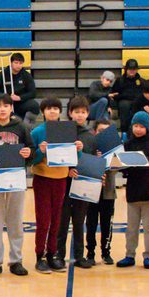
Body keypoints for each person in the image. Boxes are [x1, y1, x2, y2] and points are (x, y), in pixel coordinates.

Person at [0, 93, 36, 276]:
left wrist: (28, 153)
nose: (2, 109)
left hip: (16, 178)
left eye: (6, 105)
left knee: (16, 221)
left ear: (11, 108)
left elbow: (32, 150)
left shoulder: (21, 127)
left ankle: (16, 260)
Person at [30, 97, 70, 274]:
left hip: (61, 178)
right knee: (43, 219)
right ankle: (40, 256)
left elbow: (74, 157)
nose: (52, 111)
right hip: (42, 178)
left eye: (56, 108)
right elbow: (31, 158)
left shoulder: (68, 130)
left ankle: (52, 254)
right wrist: (40, 151)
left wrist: (78, 148)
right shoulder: (37, 132)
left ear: (60, 112)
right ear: (43, 112)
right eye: (48, 108)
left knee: (57, 219)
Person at [56, 96, 97, 268]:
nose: (80, 115)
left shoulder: (90, 136)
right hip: (64, 182)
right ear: (70, 113)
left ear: (87, 114)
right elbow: (58, 155)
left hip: (82, 184)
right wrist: (67, 169)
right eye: (76, 112)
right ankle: (59, 255)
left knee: (79, 222)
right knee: (62, 221)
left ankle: (79, 256)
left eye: (83, 112)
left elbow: (92, 159)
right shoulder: (62, 131)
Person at [117, 111, 149, 270]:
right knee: (131, 227)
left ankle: (148, 256)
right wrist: (122, 166)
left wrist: (139, 159)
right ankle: (130, 255)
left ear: (147, 127)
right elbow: (125, 166)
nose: (138, 129)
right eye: (135, 126)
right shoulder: (128, 143)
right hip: (133, 190)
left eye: (141, 126)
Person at [85, 117, 118, 265]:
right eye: (100, 131)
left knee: (107, 223)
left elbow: (117, 169)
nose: (103, 134)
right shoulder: (90, 146)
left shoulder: (114, 148)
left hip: (108, 191)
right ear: (94, 132)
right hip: (92, 190)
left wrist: (109, 161)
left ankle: (106, 252)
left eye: (106, 131)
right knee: (91, 223)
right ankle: (90, 252)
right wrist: (96, 159)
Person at [0, 53, 39, 120]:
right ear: (11, 63)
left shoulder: (26, 75)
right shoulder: (3, 74)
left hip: (20, 104)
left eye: (21, 63)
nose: (18, 65)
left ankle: (26, 126)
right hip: (6, 103)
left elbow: (33, 93)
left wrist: (20, 98)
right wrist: (4, 97)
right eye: (16, 63)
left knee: (34, 105)